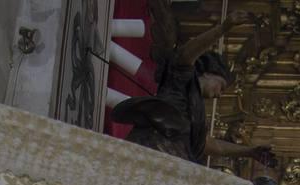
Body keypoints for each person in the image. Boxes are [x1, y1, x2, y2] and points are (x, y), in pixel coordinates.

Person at [112, 10, 276, 167]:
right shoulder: (180, 81)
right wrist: (224, 27)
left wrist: (250, 152)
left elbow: (211, 145)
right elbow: (187, 53)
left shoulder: (196, 111)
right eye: (221, 86)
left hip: (171, 162)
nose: (219, 94)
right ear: (207, 73)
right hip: (151, 147)